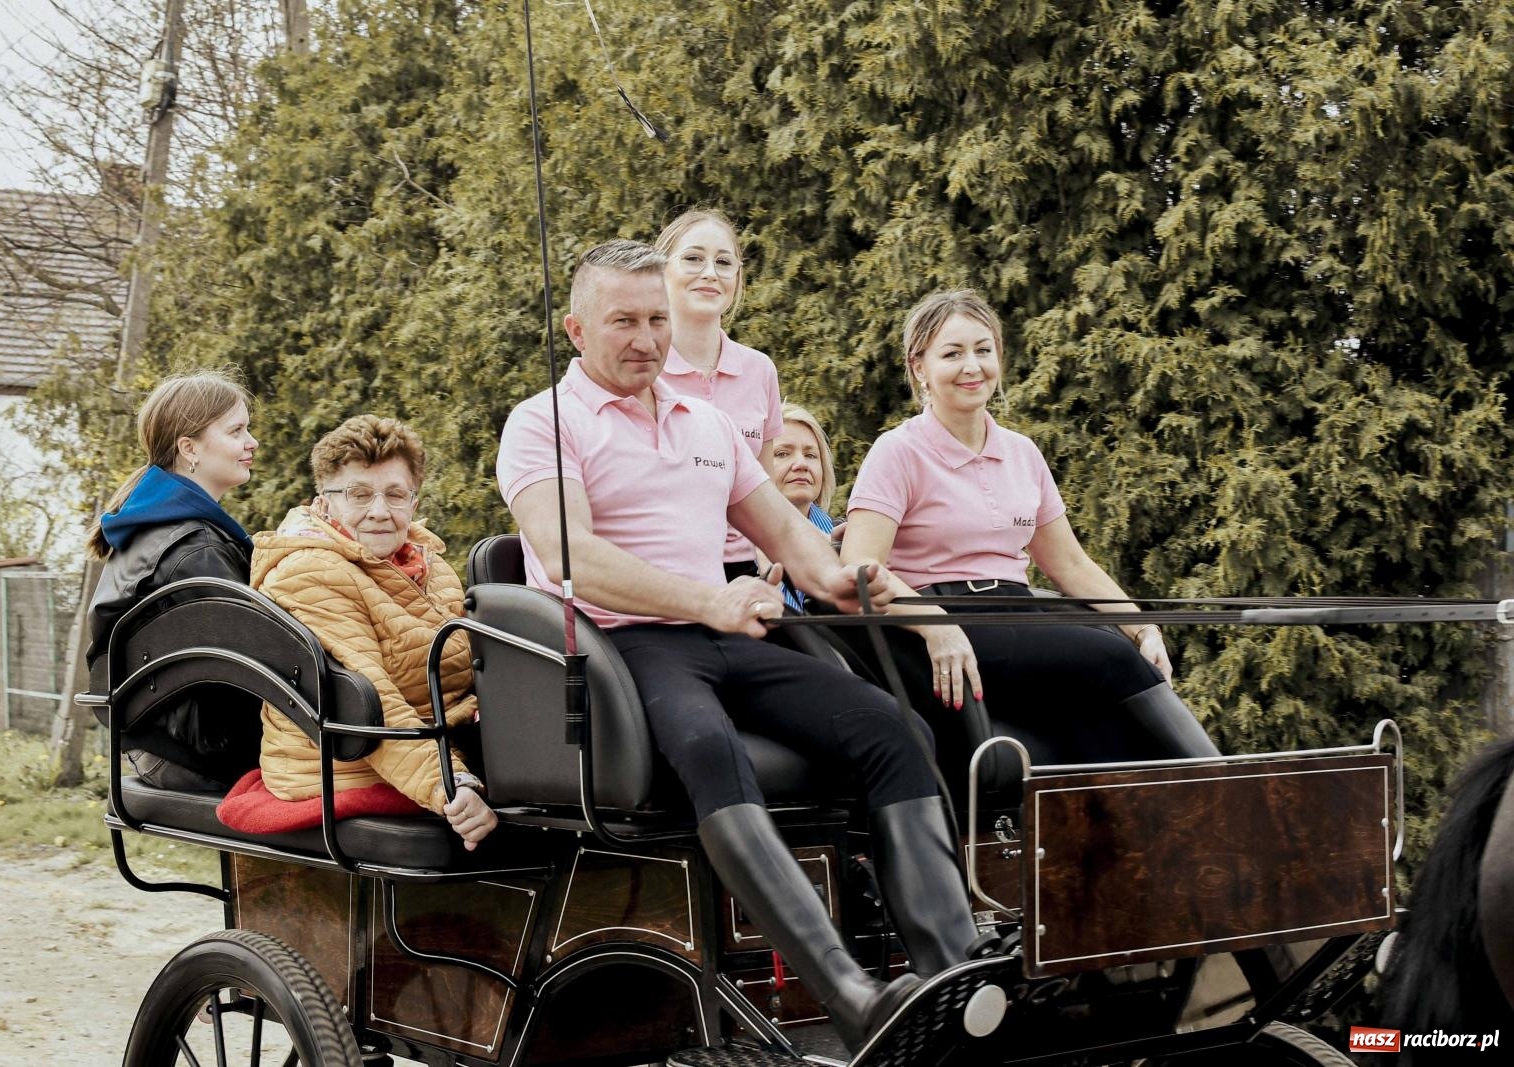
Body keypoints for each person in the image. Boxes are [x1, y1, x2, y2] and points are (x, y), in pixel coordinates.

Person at [496, 240, 986, 1050]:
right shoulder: (544, 422)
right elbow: (569, 556)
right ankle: (854, 997)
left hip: (722, 634)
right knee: (709, 747)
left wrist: (849, 579)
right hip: (620, 652)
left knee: (891, 727)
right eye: (623, 321)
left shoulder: (708, 423)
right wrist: (707, 600)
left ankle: (954, 977)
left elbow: (793, 538)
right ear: (577, 329)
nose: (647, 339)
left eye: (657, 320)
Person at [839, 289, 1218, 765]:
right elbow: (859, 565)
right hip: (945, 618)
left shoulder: (1022, 452)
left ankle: (1145, 811)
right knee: (1111, 658)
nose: (972, 366)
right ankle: (1224, 786)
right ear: (919, 368)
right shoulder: (898, 451)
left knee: (1103, 716)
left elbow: (1071, 564)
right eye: (952, 354)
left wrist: (1142, 627)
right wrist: (935, 624)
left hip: (1018, 610)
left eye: (983, 350)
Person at [245, 415, 495, 850]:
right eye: (358, 494)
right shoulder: (309, 572)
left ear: (413, 503)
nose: (380, 511)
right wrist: (452, 784)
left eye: (395, 495)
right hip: (345, 766)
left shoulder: (429, 566)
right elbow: (366, 704)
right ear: (324, 503)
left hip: (436, 747)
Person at [86, 369, 262, 791]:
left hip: (162, 746)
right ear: (189, 448)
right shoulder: (197, 548)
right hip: (207, 756)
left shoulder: (148, 525)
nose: (252, 442)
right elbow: (261, 662)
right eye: (236, 431)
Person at [654, 208, 783, 580]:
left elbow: (766, 490)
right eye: (694, 258)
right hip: (665, 573)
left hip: (746, 573)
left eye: (724, 262)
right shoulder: (640, 370)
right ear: (661, 270)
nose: (710, 272)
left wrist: (774, 564)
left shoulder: (760, 370)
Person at [766, 403, 838, 612]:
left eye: (811, 455)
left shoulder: (846, 543)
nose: (801, 464)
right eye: (782, 454)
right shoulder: (733, 550)